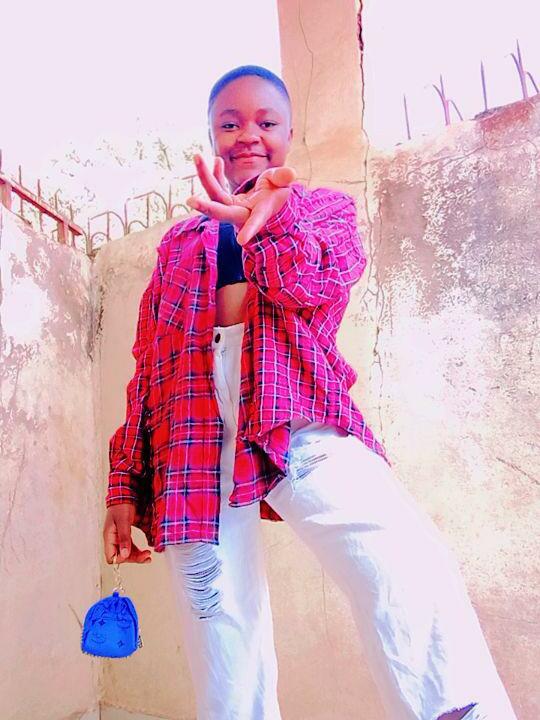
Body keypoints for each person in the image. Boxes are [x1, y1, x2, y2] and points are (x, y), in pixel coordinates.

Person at [102, 65, 517, 720]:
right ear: (212, 136)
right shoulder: (178, 244)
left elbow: (313, 284)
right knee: (220, 631)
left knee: (406, 566)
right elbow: (148, 364)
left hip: (289, 408)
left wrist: (270, 222)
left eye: (265, 121)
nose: (247, 134)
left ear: (289, 133)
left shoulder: (322, 211)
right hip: (188, 442)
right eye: (229, 123)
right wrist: (124, 484)